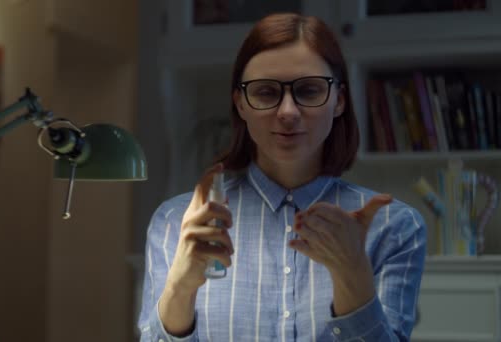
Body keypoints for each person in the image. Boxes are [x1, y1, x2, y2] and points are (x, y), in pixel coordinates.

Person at [138, 12, 426, 342]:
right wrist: (181, 285)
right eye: (265, 92)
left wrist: (353, 275)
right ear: (241, 105)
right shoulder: (175, 223)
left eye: (308, 90)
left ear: (339, 101)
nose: (287, 112)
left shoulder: (395, 227)